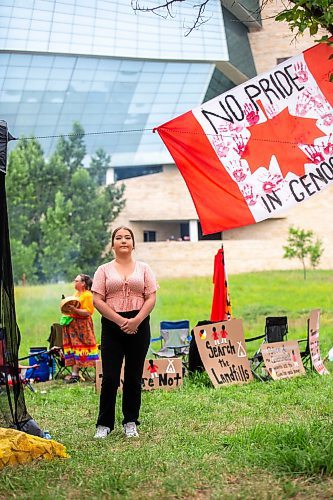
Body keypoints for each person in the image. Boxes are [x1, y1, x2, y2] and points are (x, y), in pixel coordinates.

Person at [92, 226, 158, 439]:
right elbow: (97, 300)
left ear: (133, 244)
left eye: (127, 237)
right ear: (112, 245)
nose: (123, 241)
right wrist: (121, 321)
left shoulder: (145, 269)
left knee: (133, 376)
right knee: (110, 377)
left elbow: (151, 297)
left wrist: (136, 320)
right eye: (118, 238)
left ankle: (130, 421)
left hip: (139, 325)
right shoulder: (103, 270)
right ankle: (104, 424)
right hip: (112, 326)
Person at [62, 274, 99, 383]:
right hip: (74, 325)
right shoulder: (77, 294)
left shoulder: (88, 295)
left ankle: (100, 373)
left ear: (83, 283)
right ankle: (75, 374)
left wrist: (74, 310)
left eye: (76, 280)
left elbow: (88, 312)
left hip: (83, 326)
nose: (74, 282)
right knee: (75, 348)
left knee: (86, 346)